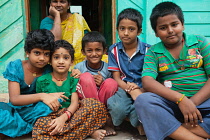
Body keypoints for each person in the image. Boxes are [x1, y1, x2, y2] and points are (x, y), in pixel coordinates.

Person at [134, 2, 210, 140]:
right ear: (156, 33)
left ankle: (175, 130)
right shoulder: (153, 52)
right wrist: (180, 100)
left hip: (204, 103)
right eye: (163, 28)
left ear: (183, 24)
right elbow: (147, 81)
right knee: (143, 100)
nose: (170, 30)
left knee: (161, 122)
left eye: (174, 24)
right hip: (173, 106)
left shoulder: (200, 42)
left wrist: (191, 104)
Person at [32, 40, 108, 140]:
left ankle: (63, 134)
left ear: (71, 61)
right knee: (40, 126)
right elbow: (40, 105)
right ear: (50, 60)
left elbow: (74, 103)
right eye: (56, 57)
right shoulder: (42, 80)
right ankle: (88, 131)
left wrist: (64, 117)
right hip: (51, 116)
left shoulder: (73, 79)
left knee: (96, 106)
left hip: (72, 114)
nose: (61, 61)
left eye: (66, 58)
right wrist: (58, 119)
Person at [0, 29, 66, 138]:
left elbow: (65, 79)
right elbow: (15, 99)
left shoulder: (49, 69)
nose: (42, 58)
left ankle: (17, 128)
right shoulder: (16, 67)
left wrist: (75, 72)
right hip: (16, 110)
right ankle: (24, 127)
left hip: (36, 111)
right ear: (27, 52)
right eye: (37, 53)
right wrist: (42, 96)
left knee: (53, 104)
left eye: (46, 54)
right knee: (3, 115)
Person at [107, 8, 151, 134]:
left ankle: (135, 121)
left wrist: (138, 90)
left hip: (144, 88)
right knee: (117, 108)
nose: (126, 33)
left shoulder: (149, 51)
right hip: (123, 87)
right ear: (117, 29)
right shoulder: (113, 50)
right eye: (122, 29)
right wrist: (129, 89)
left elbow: (151, 78)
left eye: (131, 29)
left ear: (139, 31)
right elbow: (116, 78)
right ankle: (131, 120)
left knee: (143, 109)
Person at [74, 31, 118, 136]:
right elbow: (75, 87)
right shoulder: (79, 67)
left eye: (98, 50)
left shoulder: (108, 68)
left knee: (111, 82)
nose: (94, 54)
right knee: (85, 77)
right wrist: (79, 77)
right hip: (87, 105)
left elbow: (111, 90)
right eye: (89, 50)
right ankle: (101, 120)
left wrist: (102, 82)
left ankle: (103, 119)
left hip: (103, 102)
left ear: (104, 51)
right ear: (83, 52)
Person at [40, 0, 91, 66]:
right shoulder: (46, 22)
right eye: (55, 1)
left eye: (62, 2)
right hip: (57, 62)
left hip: (80, 62)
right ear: (50, 4)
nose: (58, 4)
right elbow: (55, 40)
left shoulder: (78, 19)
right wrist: (57, 15)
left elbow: (88, 41)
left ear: (68, 5)